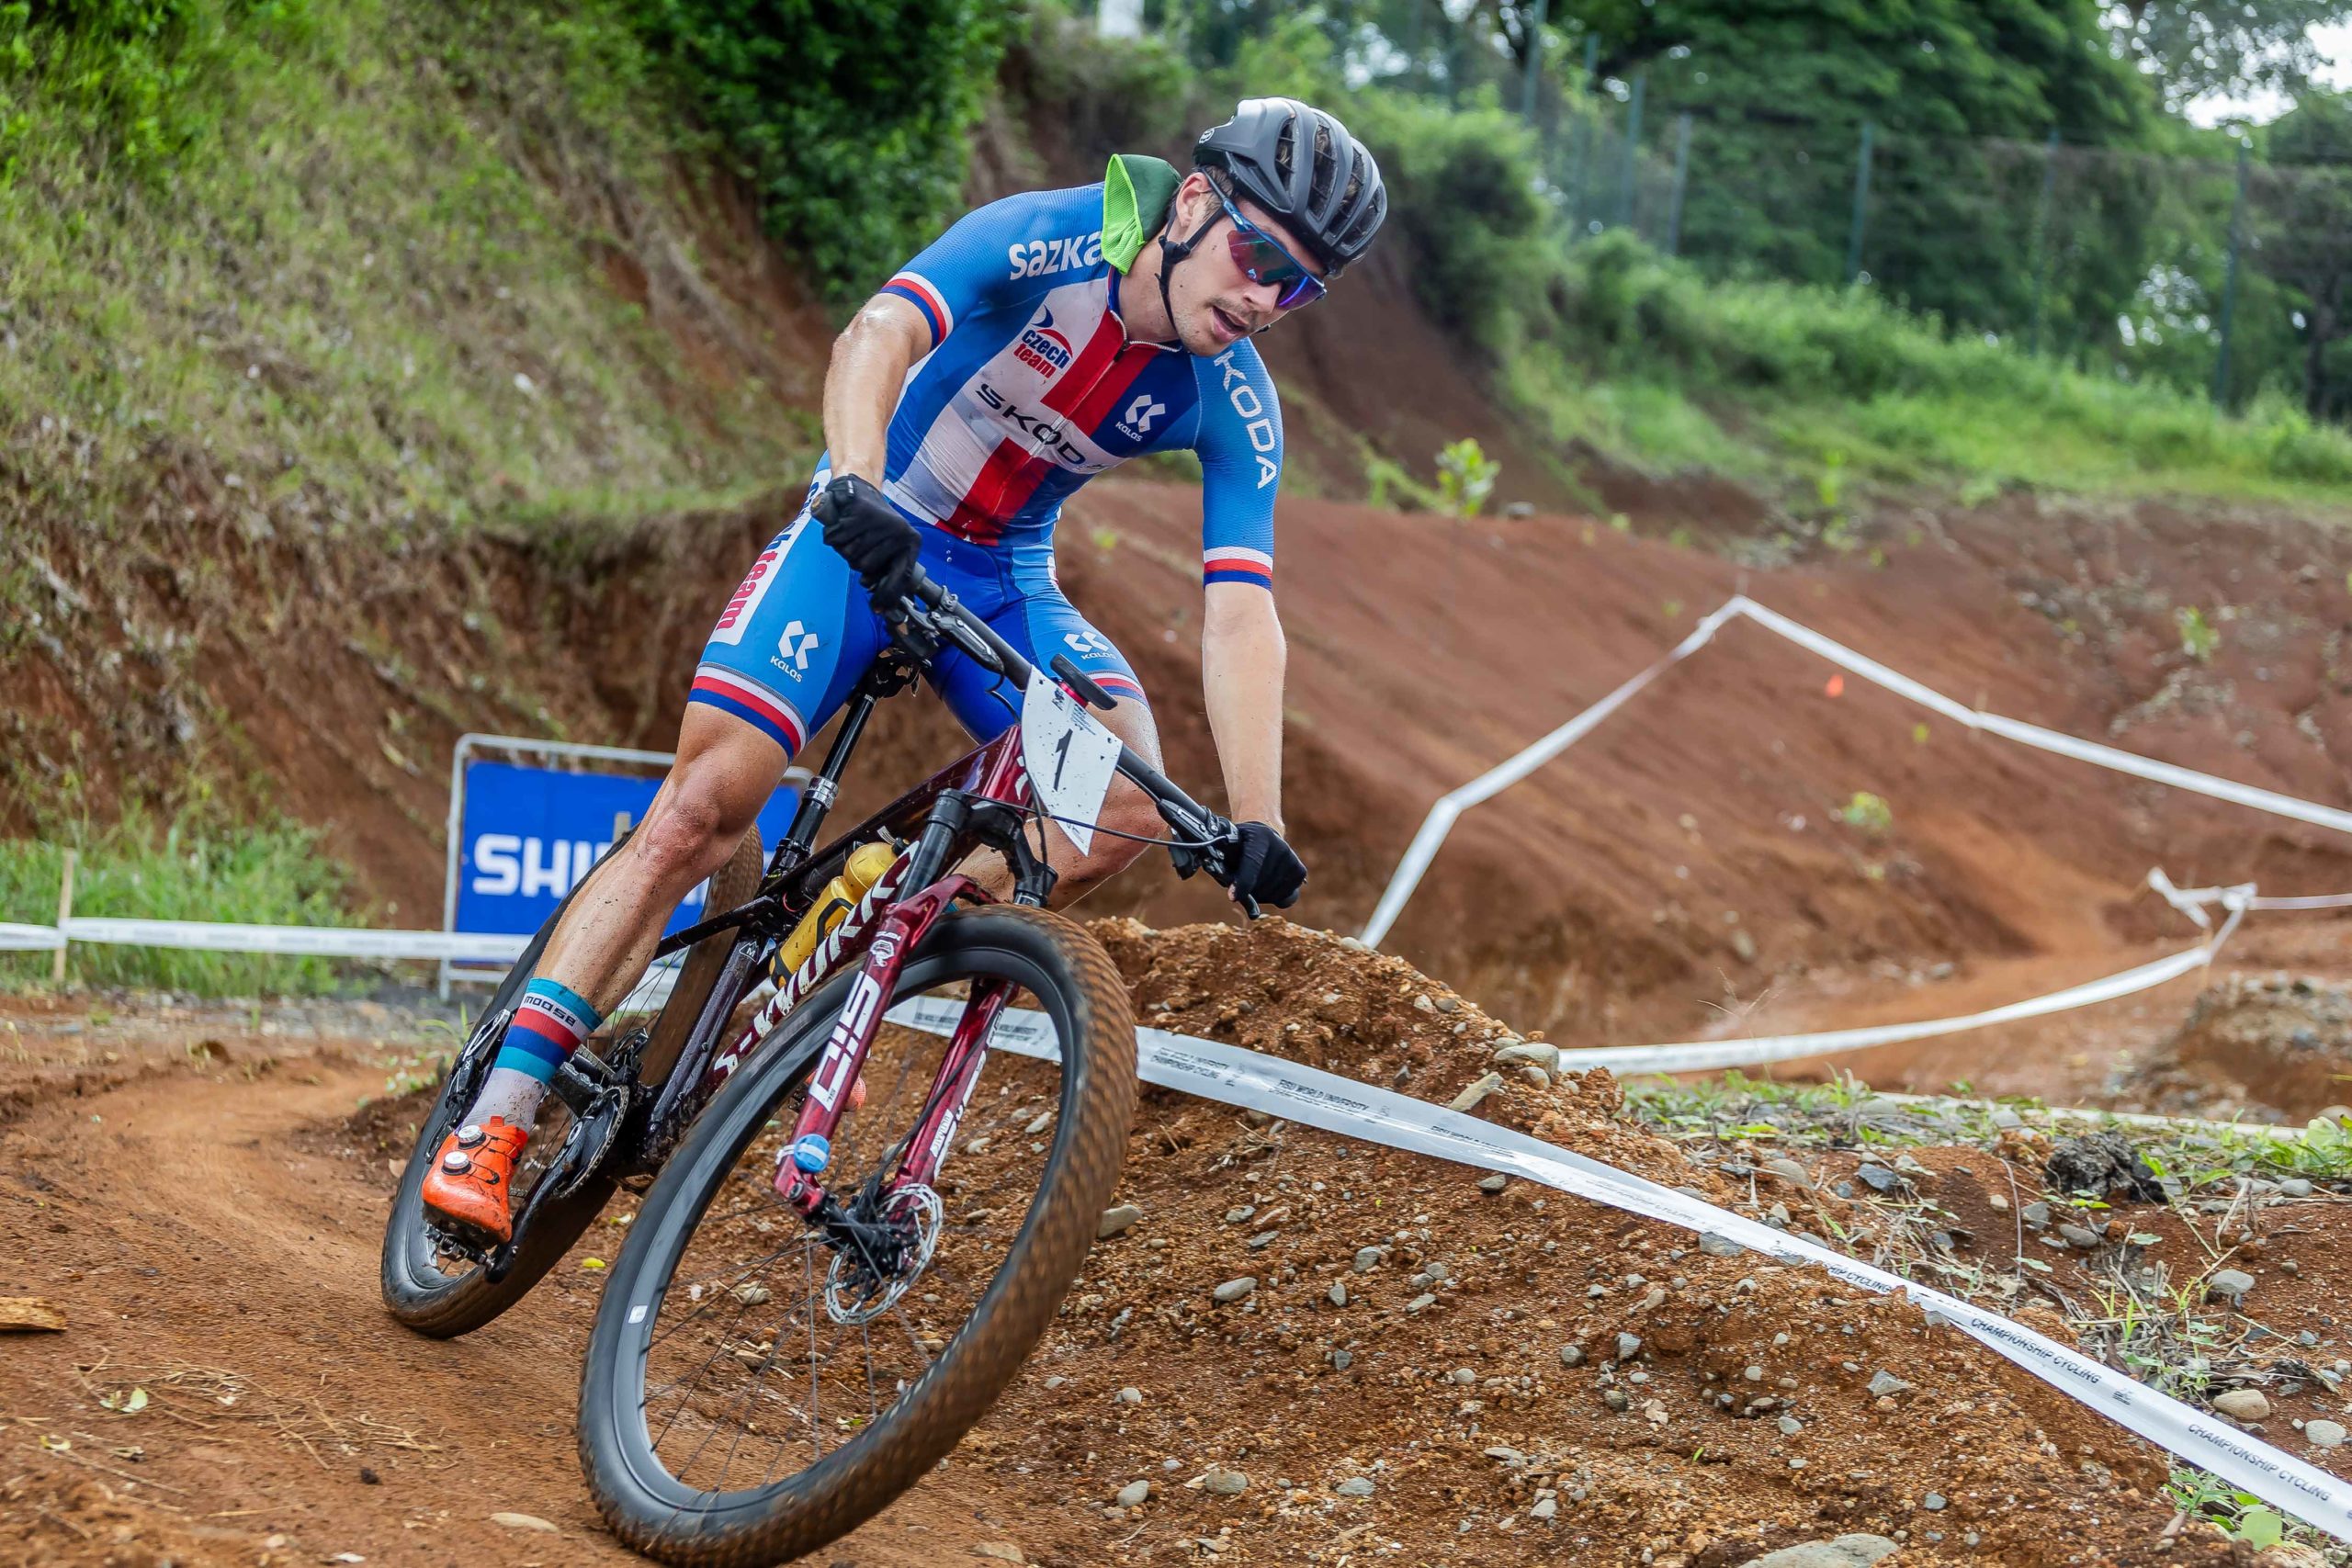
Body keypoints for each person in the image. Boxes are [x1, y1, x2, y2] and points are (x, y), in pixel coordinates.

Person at [423, 97, 1387, 1241]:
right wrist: (856, 485)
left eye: (1301, 287)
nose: (1266, 299)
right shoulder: (1050, 237)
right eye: (1260, 254)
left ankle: (838, 988)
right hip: (867, 526)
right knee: (703, 812)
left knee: (1122, 805)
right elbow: (875, 337)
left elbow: (1241, 615)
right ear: (1190, 205)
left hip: (999, 576)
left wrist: (1255, 815)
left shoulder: (1232, 398)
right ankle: (501, 1112)